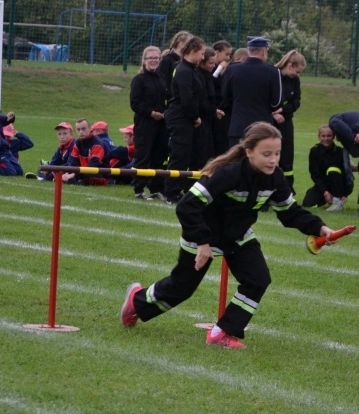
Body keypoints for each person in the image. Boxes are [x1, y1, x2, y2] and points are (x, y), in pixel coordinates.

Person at [119, 122, 335, 349]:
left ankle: (222, 332)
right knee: (182, 288)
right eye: (266, 154)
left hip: (237, 236)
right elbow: (187, 206)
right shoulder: (228, 173)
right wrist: (203, 242)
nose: (273, 160)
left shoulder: (276, 178)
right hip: (203, 233)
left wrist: (319, 228)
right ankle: (137, 301)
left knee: (258, 280)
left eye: (277, 153)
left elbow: (290, 212)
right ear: (249, 152)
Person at [163, 35, 207, 203]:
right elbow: (186, 98)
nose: (203, 57)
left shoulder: (189, 69)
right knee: (179, 155)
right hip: (180, 118)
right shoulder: (183, 70)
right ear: (193, 51)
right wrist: (195, 117)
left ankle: (179, 188)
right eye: (201, 53)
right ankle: (171, 192)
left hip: (185, 118)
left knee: (187, 154)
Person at [221, 36, 283, 148]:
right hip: (262, 129)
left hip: (238, 127)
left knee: (237, 158)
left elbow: (225, 97)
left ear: (248, 51)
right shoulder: (273, 72)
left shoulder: (233, 69)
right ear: (264, 52)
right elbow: (277, 102)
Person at [129, 45, 168, 200]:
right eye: (150, 58)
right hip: (145, 123)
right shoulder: (139, 80)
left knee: (159, 155)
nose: (153, 61)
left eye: (156, 58)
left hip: (162, 123)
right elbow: (135, 103)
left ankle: (156, 188)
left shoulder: (162, 78)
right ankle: (139, 188)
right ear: (144, 60)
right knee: (143, 155)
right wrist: (151, 113)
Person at [273, 50, 306, 193]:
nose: (297, 75)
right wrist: (273, 113)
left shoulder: (295, 81)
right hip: (269, 122)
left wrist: (282, 110)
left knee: (287, 156)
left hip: (286, 121)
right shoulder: (273, 75)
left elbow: (296, 101)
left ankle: (287, 190)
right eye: (297, 71)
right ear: (290, 65)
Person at [302, 125, 354, 212]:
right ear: (319, 136)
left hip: (338, 184)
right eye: (323, 136)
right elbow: (314, 174)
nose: (326, 138)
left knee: (333, 169)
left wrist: (345, 194)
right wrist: (325, 192)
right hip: (323, 184)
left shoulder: (340, 151)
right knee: (307, 204)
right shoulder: (314, 151)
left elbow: (347, 173)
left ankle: (337, 201)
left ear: (333, 136)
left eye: (329, 136)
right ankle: (330, 198)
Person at [62, 117, 108, 185]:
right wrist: (68, 172)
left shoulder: (97, 143)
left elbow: (93, 164)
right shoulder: (78, 143)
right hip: (83, 171)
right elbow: (73, 161)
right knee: (61, 173)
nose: (81, 132)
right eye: (78, 129)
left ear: (90, 128)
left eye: (83, 129)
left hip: (98, 172)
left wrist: (74, 174)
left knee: (84, 177)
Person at [158, 31, 192, 103]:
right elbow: (162, 81)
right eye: (189, 44)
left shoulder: (185, 61)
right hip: (172, 100)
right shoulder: (167, 60)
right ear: (181, 44)